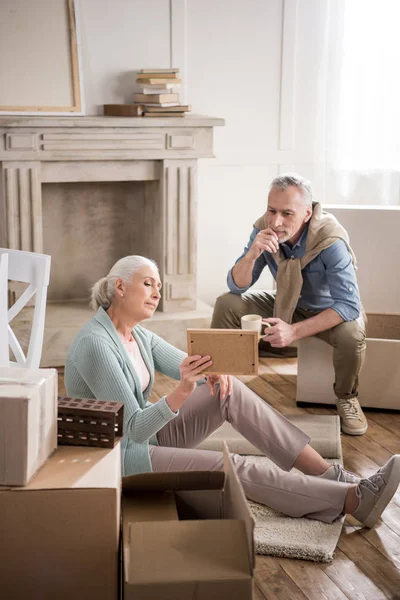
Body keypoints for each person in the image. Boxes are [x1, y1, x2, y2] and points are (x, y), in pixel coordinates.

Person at [64, 255, 399, 528]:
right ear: (120, 287)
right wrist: (180, 393)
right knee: (233, 465)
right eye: (148, 283)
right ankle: (353, 500)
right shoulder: (96, 343)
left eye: (159, 287)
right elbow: (134, 428)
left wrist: (214, 372)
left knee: (227, 389)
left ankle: (330, 474)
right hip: (120, 458)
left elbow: (193, 367)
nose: (156, 293)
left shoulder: (137, 334)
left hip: (146, 440)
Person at [211, 173, 368, 436]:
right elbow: (236, 286)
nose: (276, 221)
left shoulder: (330, 241)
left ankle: (347, 397)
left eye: (287, 213)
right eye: (272, 210)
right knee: (227, 304)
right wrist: (252, 254)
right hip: (288, 305)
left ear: (307, 213)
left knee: (352, 333)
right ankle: (220, 384)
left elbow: (348, 306)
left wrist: (294, 331)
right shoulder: (264, 229)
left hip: (328, 314)